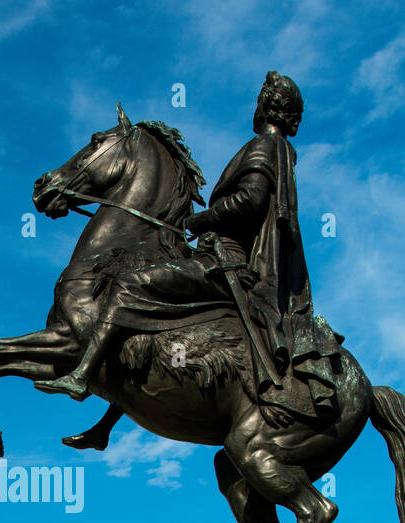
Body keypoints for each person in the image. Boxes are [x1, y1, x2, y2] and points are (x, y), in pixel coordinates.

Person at [35, 71, 339, 429]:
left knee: (130, 285)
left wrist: (203, 219)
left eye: (259, 100)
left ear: (267, 106)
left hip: (228, 262)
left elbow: (252, 199)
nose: (255, 107)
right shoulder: (280, 150)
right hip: (225, 258)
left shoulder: (264, 145)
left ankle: (82, 374)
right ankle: (106, 422)